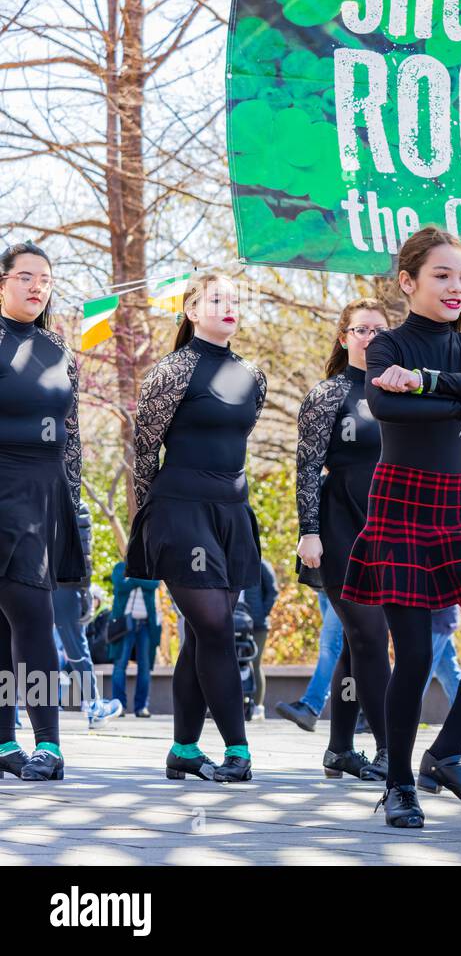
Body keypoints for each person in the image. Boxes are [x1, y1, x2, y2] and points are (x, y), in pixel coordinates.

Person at [342, 226, 461, 827]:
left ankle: (449, 753)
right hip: (400, 507)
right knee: (417, 653)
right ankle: (400, 784)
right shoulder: (387, 344)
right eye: (442, 276)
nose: (457, 287)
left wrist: (432, 385)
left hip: (456, 511)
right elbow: (388, 406)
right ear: (408, 281)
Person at [127, 272, 266, 783]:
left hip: (231, 511)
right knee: (214, 626)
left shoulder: (252, 374)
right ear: (191, 309)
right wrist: (146, 516)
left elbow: (240, 438)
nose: (228, 306)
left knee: (203, 636)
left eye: (234, 299)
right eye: (215, 298)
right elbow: (145, 449)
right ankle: (238, 749)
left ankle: (184, 749)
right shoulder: (173, 370)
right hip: (178, 508)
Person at [295, 298, 393, 780]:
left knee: (360, 643)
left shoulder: (400, 390)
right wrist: (308, 531)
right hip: (338, 526)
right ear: (344, 337)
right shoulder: (328, 394)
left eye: (379, 329)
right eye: (361, 329)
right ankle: (389, 749)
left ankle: (338, 749)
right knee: (370, 638)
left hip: (391, 524)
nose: (371, 337)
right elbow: (308, 467)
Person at [0, 242, 86, 782]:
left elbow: (72, 437)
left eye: (46, 279)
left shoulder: (60, 351)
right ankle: (5, 741)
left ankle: (49, 744)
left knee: (32, 615)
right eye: (26, 276)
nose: (37, 286)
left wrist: (71, 502)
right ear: (2, 282)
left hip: (42, 494)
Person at [55, 501, 123, 728]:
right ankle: (94, 705)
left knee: (17, 642)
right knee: (76, 647)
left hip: (28, 580)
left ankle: (10, 716)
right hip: (65, 583)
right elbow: (82, 550)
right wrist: (84, 591)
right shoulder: (75, 504)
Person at [276, 590, 342, 731]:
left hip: (341, 581)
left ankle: (311, 707)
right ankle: (364, 714)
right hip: (324, 582)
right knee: (339, 647)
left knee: (331, 647)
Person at [109, 561, 161, 718]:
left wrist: (132, 579)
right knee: (120, 665)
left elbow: (154, 584)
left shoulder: (151, 567)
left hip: (146, 625)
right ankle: (119, 706)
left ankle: (141, 707)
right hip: (125, 624)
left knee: (145, 668)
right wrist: (142, 580)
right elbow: (120, 585)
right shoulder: (120, 567)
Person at [241, 557, 278, 722]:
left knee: (254, 663)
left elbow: (273, 591)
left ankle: (258, 706)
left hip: (257, 624)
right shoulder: (230, 560)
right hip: (234, 621)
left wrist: (262, 612)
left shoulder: (261, 563)